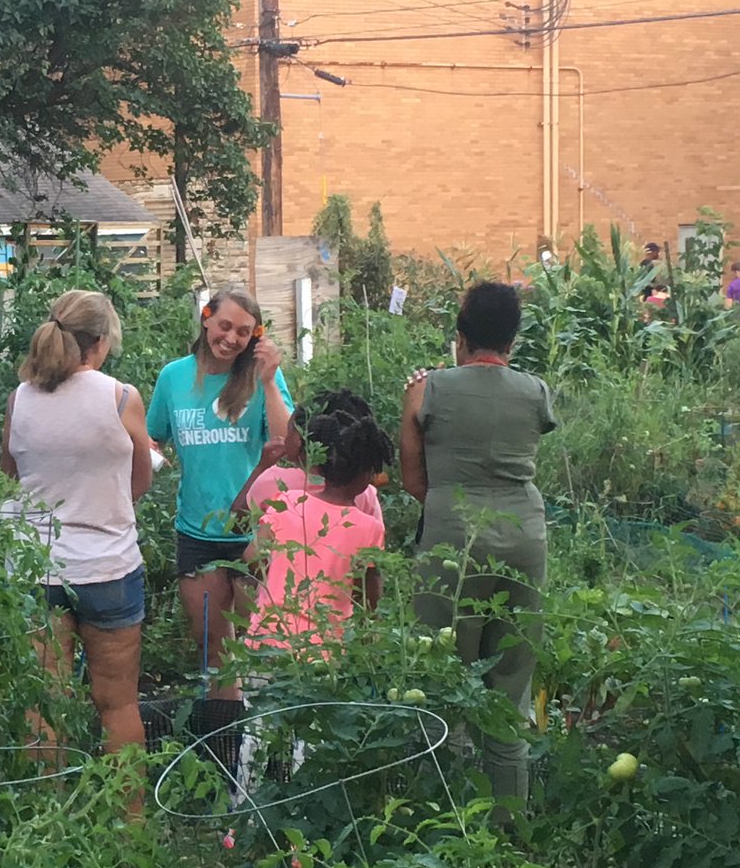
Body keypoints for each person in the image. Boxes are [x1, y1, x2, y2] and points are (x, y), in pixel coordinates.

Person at [400, 280, 556, 821]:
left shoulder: (426, 391)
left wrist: (449, 504)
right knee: (511, 681)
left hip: (452, 537)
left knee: (441, 675)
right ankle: (509, 827)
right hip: (525, 536)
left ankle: (442, 822)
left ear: (460, 335)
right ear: (513, 338)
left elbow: (412, 478)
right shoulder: (535, 391)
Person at [0, 290, 152, 755]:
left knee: (42, 705)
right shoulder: (121, 398)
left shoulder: (19, 400)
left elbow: (11, 477)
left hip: (34, 568)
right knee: (118, 704)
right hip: (108, 567)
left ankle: (48, 821)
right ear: (101, 342)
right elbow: (139, 483)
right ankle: (129, 824)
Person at [147, 287, 292, 700]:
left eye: (245, 332)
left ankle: (271, 745)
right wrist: (150, 453)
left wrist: (267, 382)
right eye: (224, 325)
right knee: (214, 650)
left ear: (257, 337)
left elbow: (286, 443)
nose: (231, 338)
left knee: (264, 646)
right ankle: (225, 744)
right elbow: (153, 435)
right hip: (198, 530)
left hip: (255, 532)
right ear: (206, 318)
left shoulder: (262, 378)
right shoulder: (174, 377)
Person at [242, 390, 391, 652]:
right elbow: (369, 596)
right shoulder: (370, 528)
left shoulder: (286, 501)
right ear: (367, 474)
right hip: (326, 649)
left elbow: (252, 557)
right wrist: (370, 636)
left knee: (262, 693)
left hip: (267, 641)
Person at [231, 389, 385, 528]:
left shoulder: (274, 481)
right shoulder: (363, 491)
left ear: (299, 438)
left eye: (289, 429)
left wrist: (261, 467)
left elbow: (237, 524)